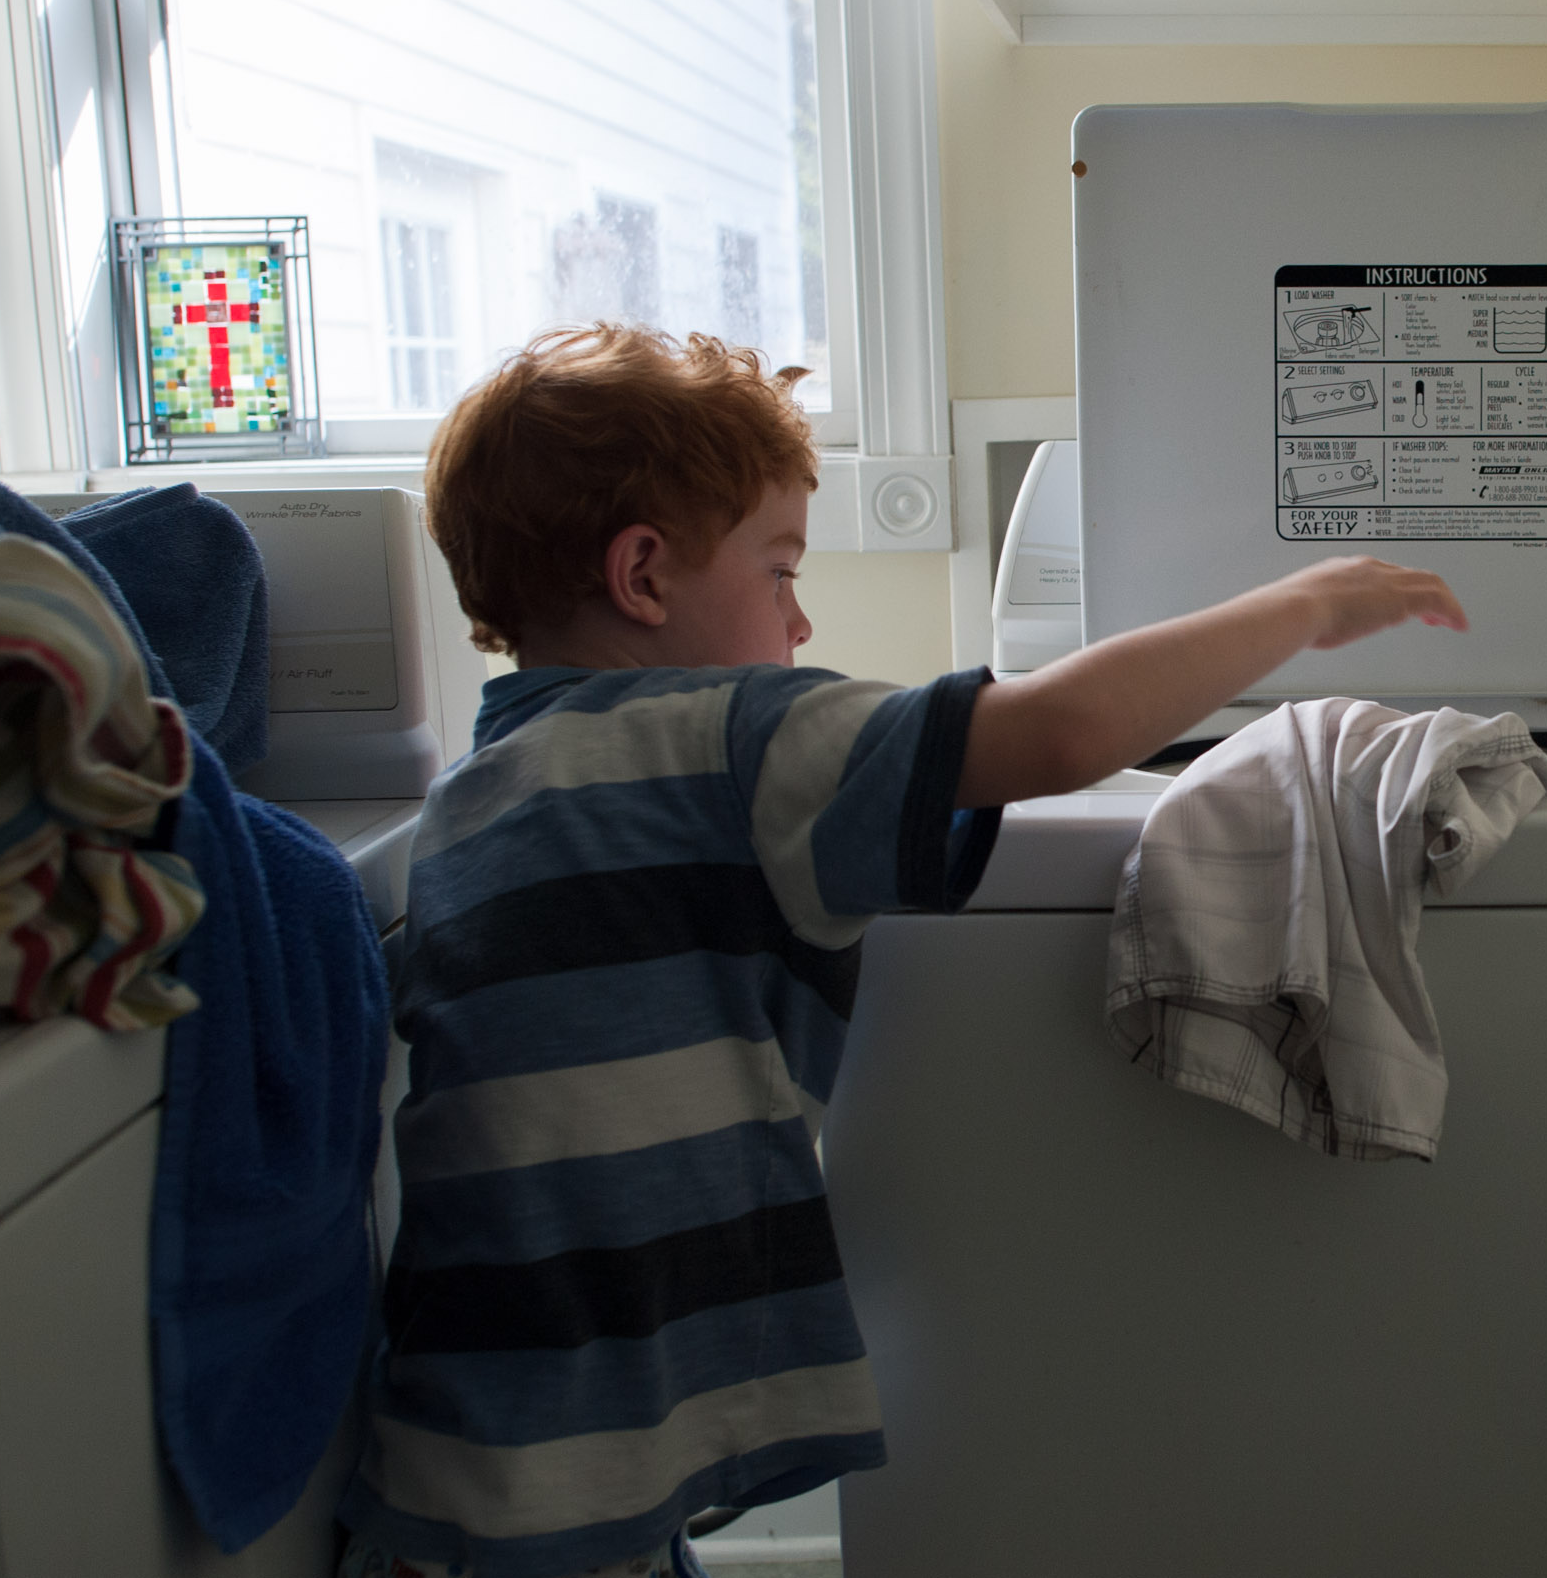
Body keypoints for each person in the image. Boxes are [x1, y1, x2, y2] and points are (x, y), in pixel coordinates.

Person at [337, 324, 1465, 1578]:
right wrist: (1301, 604)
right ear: (644, 574)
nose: (802, 614)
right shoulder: (728, 739)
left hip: (452, 1438)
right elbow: (1061, 730)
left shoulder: (462, 803)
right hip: (584, 1459)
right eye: (778, 570)